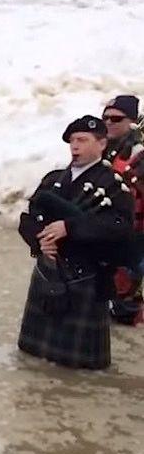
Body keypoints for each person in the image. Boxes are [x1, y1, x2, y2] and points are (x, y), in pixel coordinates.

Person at [17, 115, 136, 370]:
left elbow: (121, 230)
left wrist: (69, 227)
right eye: (72, 141)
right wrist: (39, 241)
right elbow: (28, 219)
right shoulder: (53, 179)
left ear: (102, 144)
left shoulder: (113, 186)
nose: (75, 147)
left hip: (88, 277)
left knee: (80, 368)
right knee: (32, 357)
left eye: (82, 140)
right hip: (48, 273)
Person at [101, 95, 144, 325]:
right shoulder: (104, 147)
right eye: (105, 117)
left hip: (135, 237)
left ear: (131, 121)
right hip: (110, 230)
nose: (108, 122)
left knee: (126, 307)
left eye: (116, 118)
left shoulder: (139, 153)